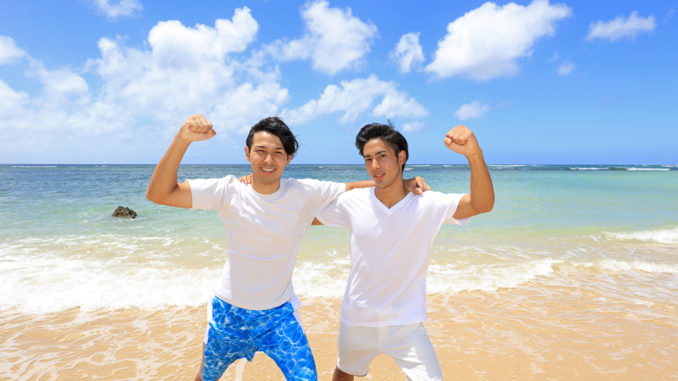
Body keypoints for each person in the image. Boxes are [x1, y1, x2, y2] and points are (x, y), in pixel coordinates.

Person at [146, 114, 426, 381]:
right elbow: (159, 193)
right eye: (261, 151)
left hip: (279, 317)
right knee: (207, 376)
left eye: (278, 152)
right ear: (247, 153)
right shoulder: (227, 191)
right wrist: (182, 139)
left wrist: (400, 183)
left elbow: (353, 188)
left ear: (288, 158)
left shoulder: (303, 192)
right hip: (228, 314)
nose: (269, 160)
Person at [314, 122, 495, 380]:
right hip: (357, 320)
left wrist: (474, 155)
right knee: (345, 372)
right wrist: (255, 187)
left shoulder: (427, 203)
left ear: (401, 157)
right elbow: (298, 212)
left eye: (382, 157)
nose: (375, 166)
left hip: (406, 325)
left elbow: (482, 204)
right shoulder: (352, 203)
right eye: (368, 159)